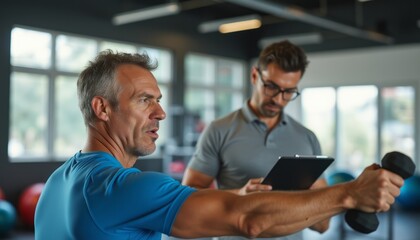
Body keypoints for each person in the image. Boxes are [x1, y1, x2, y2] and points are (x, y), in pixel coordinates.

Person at [34, 50, 403, 240]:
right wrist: (351, 194)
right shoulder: (127, 187)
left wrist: (238, 196)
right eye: (145, 100)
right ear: (102, 108)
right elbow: (248, 220)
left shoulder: (57, 182)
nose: (161, 113)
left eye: (158, 99)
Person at [182, 40, 328, 239]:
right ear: (254, 76)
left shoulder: (307, 137)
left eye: (289, 92)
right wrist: (239, 195)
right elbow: (189, 198)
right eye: (271, 87)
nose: (278, 99)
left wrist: (310, 198)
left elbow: (322, 225)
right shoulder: (219, 130)